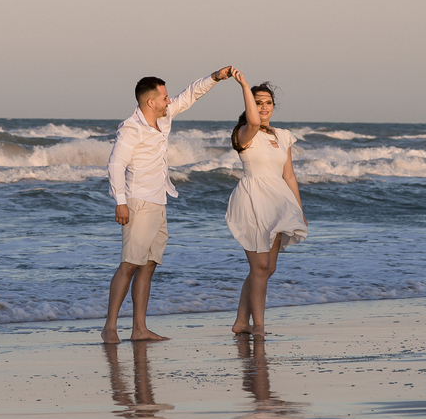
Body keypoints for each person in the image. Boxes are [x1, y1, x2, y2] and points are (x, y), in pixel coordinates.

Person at [102, 67, 233, 343]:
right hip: (138, 203)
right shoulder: (131, 128)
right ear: (151, 102)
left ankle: (139, 329)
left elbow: (189, 96)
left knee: (148, 265)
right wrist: (120, 202)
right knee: (128, 264)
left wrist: (215, 77)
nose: (169, 101)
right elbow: (115, 164)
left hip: (159, 200)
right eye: (164, 97)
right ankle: (110, 328)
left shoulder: (163, 120)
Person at [225, 72, 307, 336]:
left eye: (268, 102)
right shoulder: (244, 133)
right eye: (257, 102)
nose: (264, 107)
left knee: (268, 268)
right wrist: (244, 86)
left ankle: (241, 321)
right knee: (259, 267)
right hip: (253, 200)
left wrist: (299, 210)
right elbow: (252, 119)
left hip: (278, 202)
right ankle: (258, 326)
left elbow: (289, 175)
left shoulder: (283, 136)